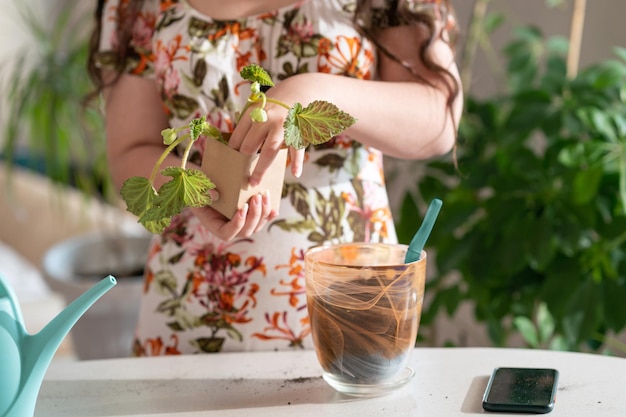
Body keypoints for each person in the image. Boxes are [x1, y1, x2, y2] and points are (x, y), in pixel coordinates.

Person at [87, 0, 463, 355]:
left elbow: (438, 120)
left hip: (350, 302)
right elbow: (130, 152)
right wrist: (195, 189)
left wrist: (313, 91)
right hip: (189, 309)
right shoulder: (136, 5)